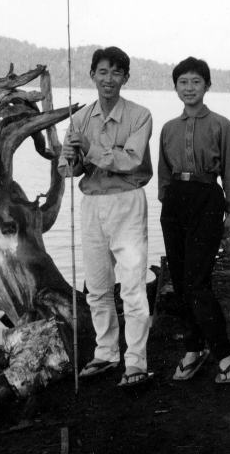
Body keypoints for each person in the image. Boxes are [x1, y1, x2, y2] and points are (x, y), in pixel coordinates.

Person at [59, 46, 153, 387]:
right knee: (97, 287)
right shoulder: (80, 119)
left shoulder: (140, 115)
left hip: (127, 202)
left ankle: (136, 360)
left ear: (125, 77)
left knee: (132, 287)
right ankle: (106, 352)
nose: (109, 79)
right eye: (103, 71)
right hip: (92, 204)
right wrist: (70, 157)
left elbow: (131, 160)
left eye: (116, 72)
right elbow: (67, 169)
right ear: (92, 75)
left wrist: (89, 147)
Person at [158, 56, 230, 384]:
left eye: (196, 81)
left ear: (207, 85)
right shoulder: (169, 128)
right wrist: (168, 203)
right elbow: (163, 173)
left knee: (197, 281)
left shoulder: (222, 125)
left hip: (208, 198)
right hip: (175, 203)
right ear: (175, 87)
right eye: (183, 82)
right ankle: (194, 348)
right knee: (182, 281)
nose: (189, 88)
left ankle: (225, 352)